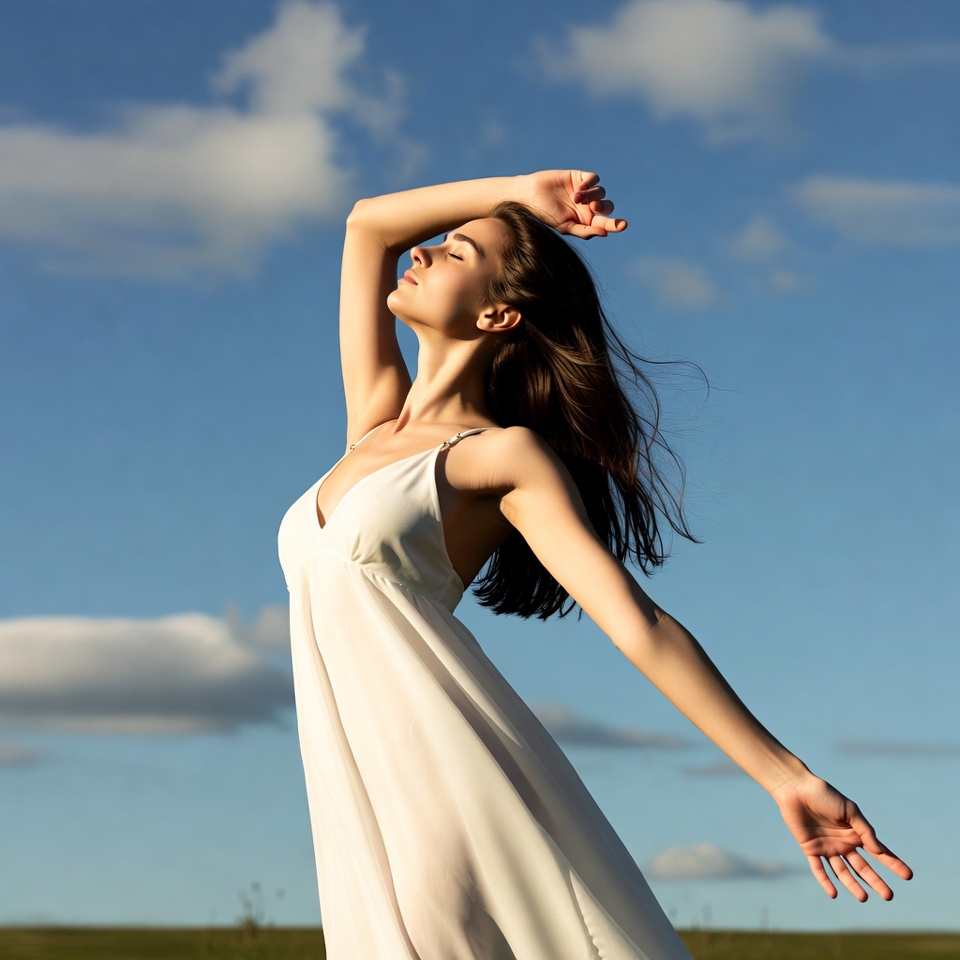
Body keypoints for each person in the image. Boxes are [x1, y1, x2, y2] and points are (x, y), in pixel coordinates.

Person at [277, 170, 911, 959]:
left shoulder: (497, 456)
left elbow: (637, 624)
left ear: (498, 312)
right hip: (351, 794)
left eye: (458, 251)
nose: (429, 250)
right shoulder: (372, 423)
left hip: (441, 780)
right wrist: (521, 194)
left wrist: (784, 775)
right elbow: (368, 225)